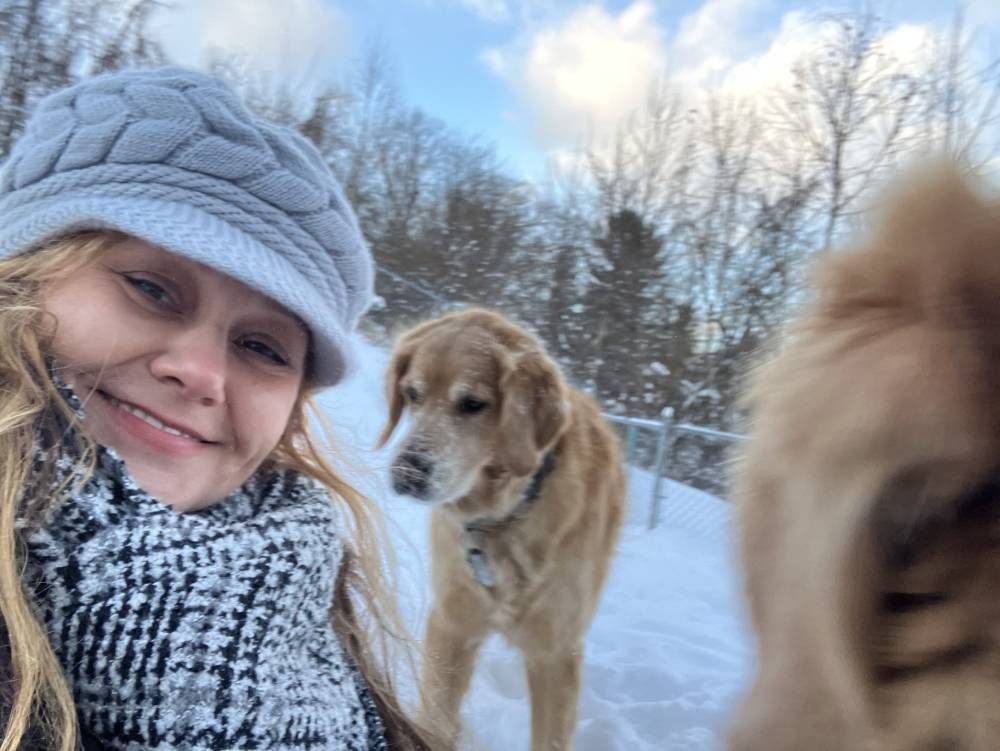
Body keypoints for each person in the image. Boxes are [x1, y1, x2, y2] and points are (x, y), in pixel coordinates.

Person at [0, 67, 437, 750]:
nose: (202, 375)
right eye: (152, 288)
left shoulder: (298, 605)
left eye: (262, 347)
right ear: (21, 276)